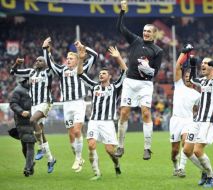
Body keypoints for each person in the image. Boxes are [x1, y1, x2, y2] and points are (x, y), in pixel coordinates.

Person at [115, 0, 163, 160]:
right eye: (144, 30)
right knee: (124, 113)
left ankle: (147, 148)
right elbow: (121, 28)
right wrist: (123, 11)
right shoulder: (136, 40)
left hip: (145, 85)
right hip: (129, 82)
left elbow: (155, 72)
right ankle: (120, 146)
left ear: (154, 34)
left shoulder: (158, 50)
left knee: (146, 113)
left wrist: (147, 68)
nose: (146, 33)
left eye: (149, 31)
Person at [43, 37, 98, 172]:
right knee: (71, 135)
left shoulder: (82, 67)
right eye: (67, 58)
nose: (68, 60)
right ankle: (78, 157)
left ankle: (78, 158)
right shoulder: (62, 70)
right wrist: (45, 49)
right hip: (66, 105)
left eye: (71, 58)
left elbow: (95, 56)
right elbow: (50, 64)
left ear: (77, 59)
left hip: (79, 102)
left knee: (77, 130)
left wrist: (83, 47)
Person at [77, 44, 127, 180]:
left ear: (109, 76)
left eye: (104, 73)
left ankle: (116, 165)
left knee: (110, 150)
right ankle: (97, 173)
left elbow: (125, 71)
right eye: (100, 73)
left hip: (108, 123)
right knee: (91, 144)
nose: (101, 75)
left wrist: (118, 58)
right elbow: (80, 73)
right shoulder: (94, 86)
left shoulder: (115, 87)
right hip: (94, 121)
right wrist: (81, 59)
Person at [183, 46, 213, 188]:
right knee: (187, 150)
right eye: (202, 62)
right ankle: (205, 171)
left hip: (209, 121)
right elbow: (191, 79)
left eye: (206, 63)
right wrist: (192, 64)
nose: (202, 64)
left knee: (198, 150)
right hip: (198, 120)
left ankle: (211, 176)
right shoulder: (203, 81)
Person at [10, 56, 56, 173]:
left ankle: (40, 149)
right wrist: (16, 64)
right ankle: (51, 159)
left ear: (45, 63)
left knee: (32, 120)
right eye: (36, 60)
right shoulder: (30, 72)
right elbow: (13, 72)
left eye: (40, 60)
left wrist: (47, 50)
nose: (37, 62)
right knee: (41, 133)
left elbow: (52, 65)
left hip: (45, 102)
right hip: (35, 105)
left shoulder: (48, 72)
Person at [169, 44, 201, 177]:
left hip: (188, 120)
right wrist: (184, 53)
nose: (187, 77)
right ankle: (175, 165)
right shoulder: (179, 85)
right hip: (175, 120)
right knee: (174, 150)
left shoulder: (197, 95)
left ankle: (182, 168)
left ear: (193, 78)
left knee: (185, 142)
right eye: (185, 75)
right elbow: (177, 67)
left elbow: (200, 109)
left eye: (189, 76)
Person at [9, 77, 36, 177]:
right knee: (24, 146)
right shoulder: (18, 90)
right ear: (26, 80)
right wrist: (21, 111)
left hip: (33, 119)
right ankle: (30, 165)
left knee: (30, 143)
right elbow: (13, 104)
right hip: (21, 120)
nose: (34, 80)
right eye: (32, 79)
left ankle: (27, 168)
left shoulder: (36, 88)